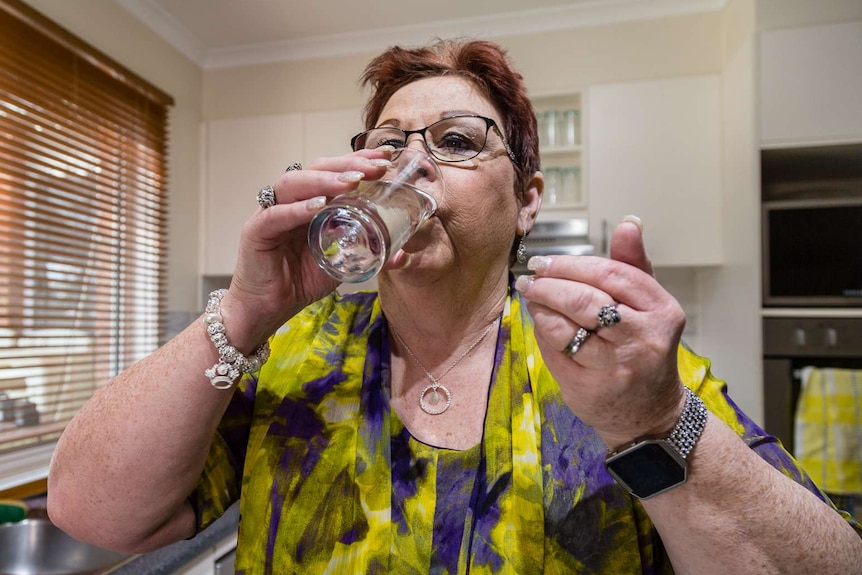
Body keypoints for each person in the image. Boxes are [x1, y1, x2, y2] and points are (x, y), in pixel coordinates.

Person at [48, 38, 861, 574]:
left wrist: (652, 425)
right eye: (388, 144)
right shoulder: (296, 352)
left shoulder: (610, 364)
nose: (411, 164)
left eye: (458, 141)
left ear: (528, 198)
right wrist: (246, 313)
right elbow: (92, 513)